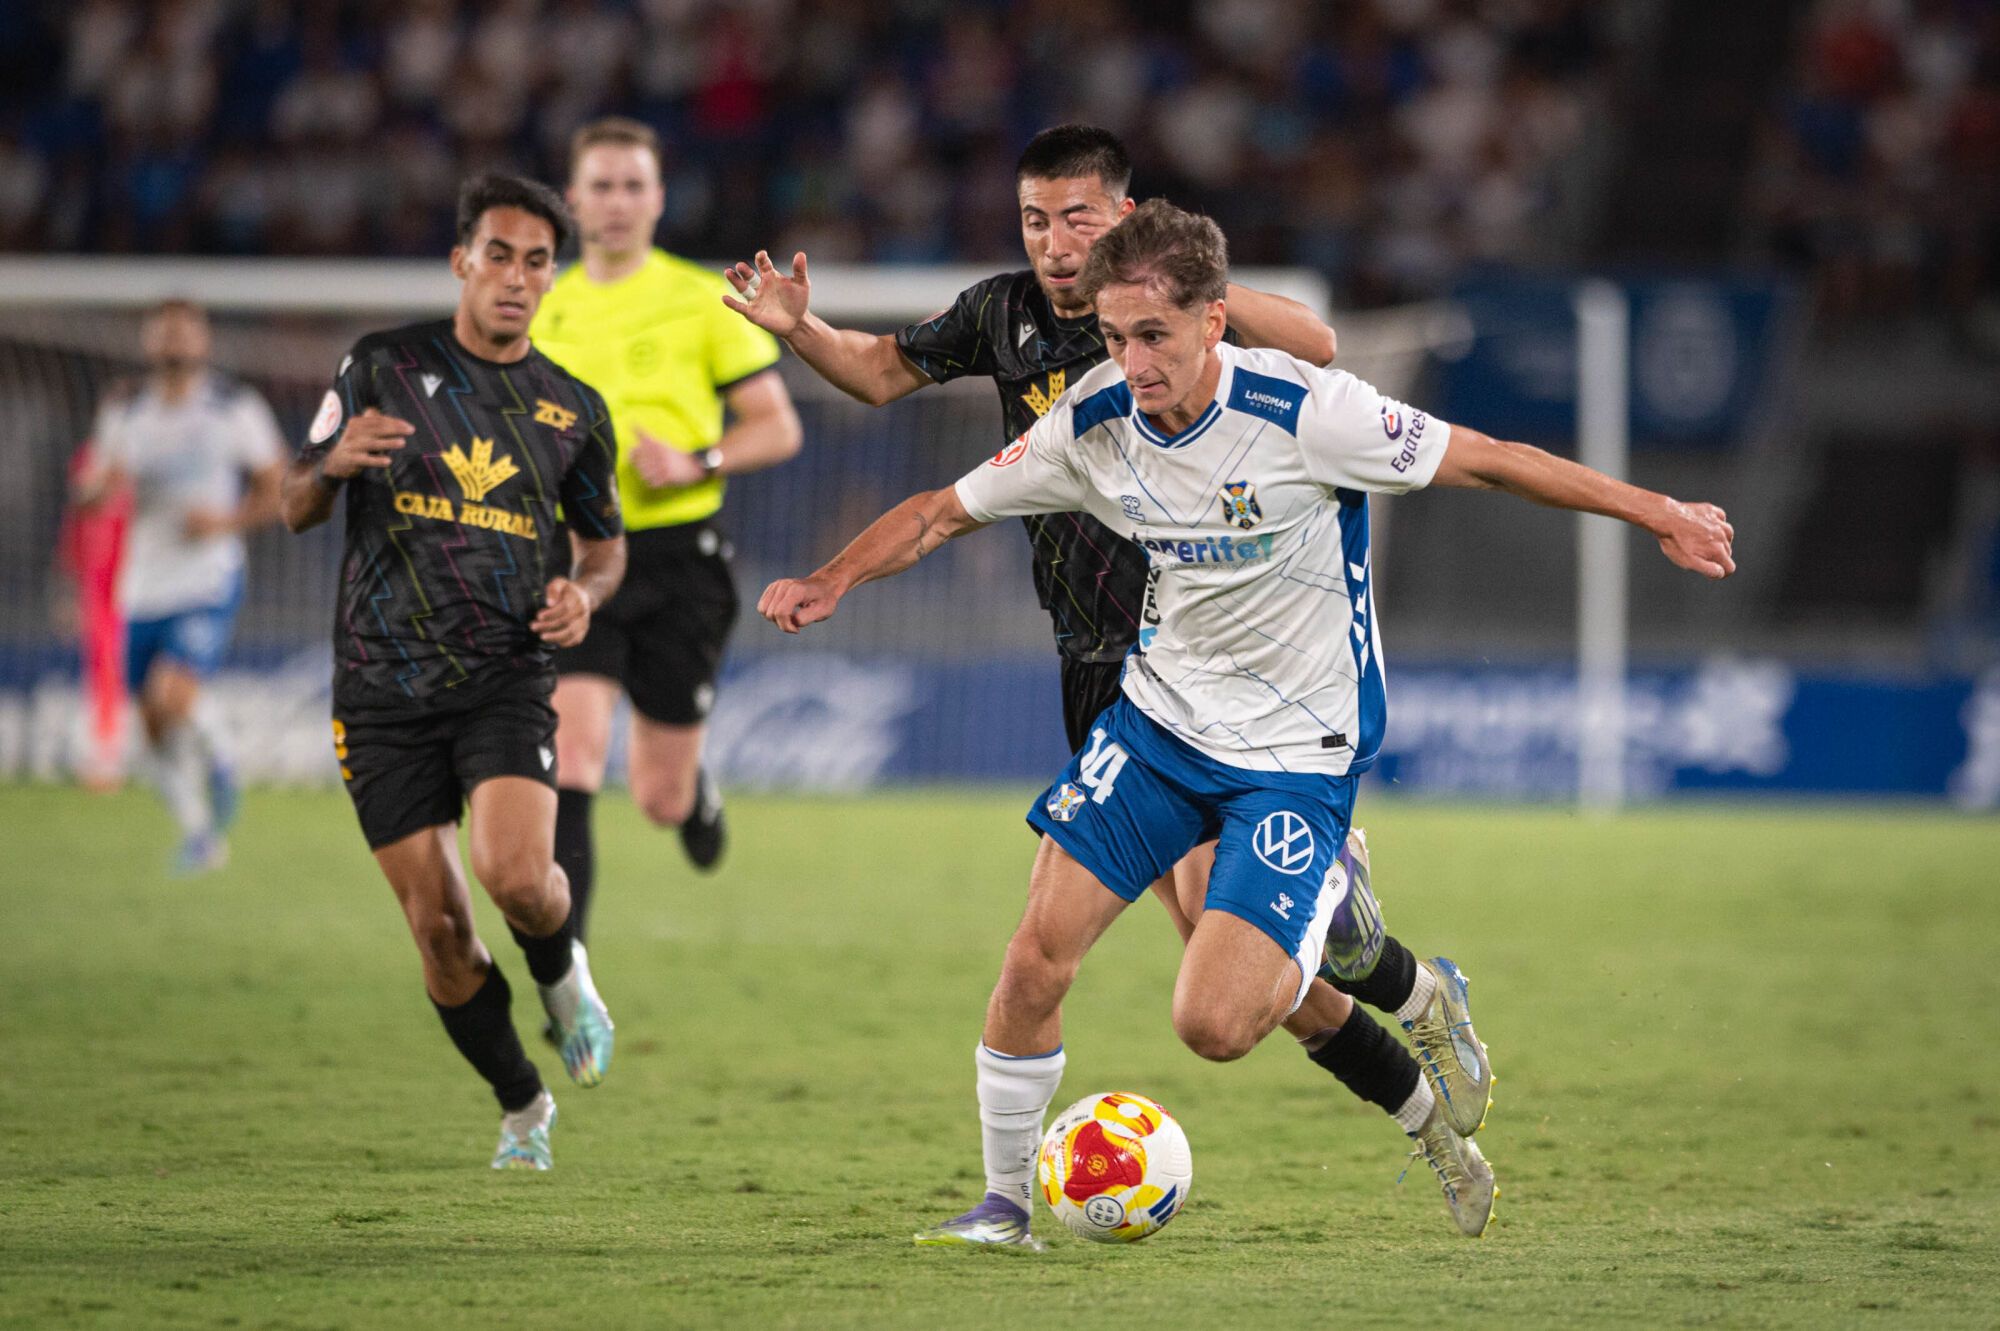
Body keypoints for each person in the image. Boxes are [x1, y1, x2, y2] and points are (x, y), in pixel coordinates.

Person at [758, 201, 1737, 1242]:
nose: (1130, 361)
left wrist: (1659, 512)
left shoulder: (1309, 412)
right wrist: (832, 579)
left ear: (1212, 321)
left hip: (1291, 756)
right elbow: (939, 510)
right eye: (1112, 336)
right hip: (1159, 727)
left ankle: (1366, 936)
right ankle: (1004, 1208)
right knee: (1034, 958)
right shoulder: (1090, 424)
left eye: (1152, 337)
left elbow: (1491, 458)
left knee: (1213, 1024)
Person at [723, 124, 1490, 1146]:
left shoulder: (1159, 313)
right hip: (1094, 661)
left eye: (1077, 216)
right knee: (1220, 955)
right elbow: (874, 375)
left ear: (1121, 217)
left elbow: (1314, 342)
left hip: (1209, 667)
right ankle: (1415, 1019)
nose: (1052, 240)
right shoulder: (1002, 313)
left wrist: (1185, 287)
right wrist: (797, 329)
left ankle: (1402, 1039)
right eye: (1035, 218)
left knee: (1223, 965)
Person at [281, 174, 628, 1171]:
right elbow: (292, 498)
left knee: (516, 872)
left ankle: (566, 976)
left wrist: (586, 595)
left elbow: (603, 546)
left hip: (503, 672)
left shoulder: (572, 410)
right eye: (498, 255)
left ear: (551, 276)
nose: (515, 277)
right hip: (377, 689)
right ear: (461, 262)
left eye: (535, 261)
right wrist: (334, 459)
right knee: (439, 931)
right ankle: (522, 1104)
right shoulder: (380, 366)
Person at [531, 117, 803, 939]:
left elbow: (778, 427)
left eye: (632, 186)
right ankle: (564, 977)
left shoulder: (700, 297)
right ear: (574, 200)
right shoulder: (542, 305)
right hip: (577, 555)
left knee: (658, 796)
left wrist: (698, 459)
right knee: (572, 756)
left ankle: (692, 793)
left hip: (680, 558)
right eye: (601, 186)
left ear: (657, 198)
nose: (616, 202)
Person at [70, 299, 285, 871]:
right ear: (148, 344)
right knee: (152, 726)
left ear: (204, 342)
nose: (174, 342)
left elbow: (279, 486)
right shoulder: (125, 410)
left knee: (174, 690)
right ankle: (199, 836)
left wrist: (227, 521)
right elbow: (98, 484)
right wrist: (94, 492)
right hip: (141, 583)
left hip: (208, 575)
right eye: (163, 333)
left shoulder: (234, 407)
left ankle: (220, 752)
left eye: (184, 332)